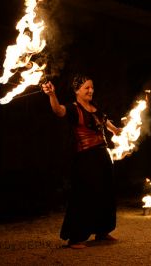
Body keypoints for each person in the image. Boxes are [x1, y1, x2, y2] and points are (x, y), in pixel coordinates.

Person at [42, 74, 122, 249]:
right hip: (86, 157)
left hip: (102, 154)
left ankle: (102, 231)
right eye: (86, 87)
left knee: (105, 193)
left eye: (92, 87)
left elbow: (103, 119)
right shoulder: (73, 108)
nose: (91, 90)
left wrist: (115, 130)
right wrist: (52, 95)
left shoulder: (94, 107)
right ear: (77, 90)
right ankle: (76, 237)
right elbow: (58, 111)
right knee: (85, 196)